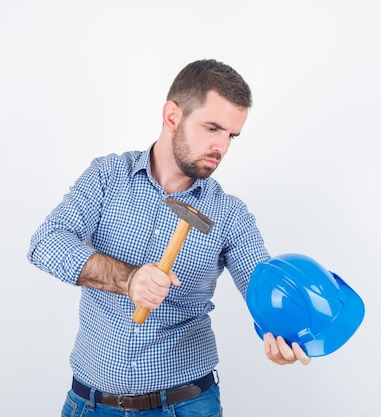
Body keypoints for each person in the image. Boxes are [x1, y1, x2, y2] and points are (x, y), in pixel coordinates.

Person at [28, 59, 310, 417]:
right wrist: (128, 279)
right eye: (212, 128)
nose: (222, 147)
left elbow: (263, 285)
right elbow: (46, 242)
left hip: (186, 406)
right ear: (172, 116)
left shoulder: (229, 214)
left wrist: (283, 333)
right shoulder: (107, 177)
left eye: (231, 136)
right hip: (90, 405)